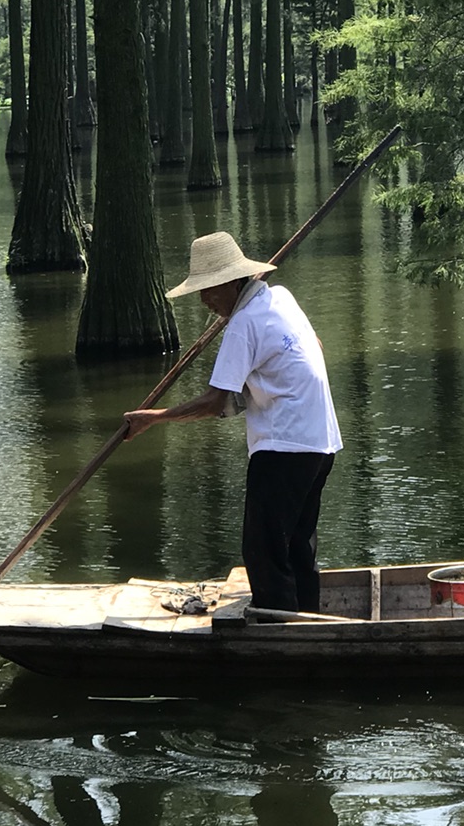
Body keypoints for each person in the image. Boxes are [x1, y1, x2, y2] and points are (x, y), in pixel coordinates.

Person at [122, 231, 342, 614]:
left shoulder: (243, 324)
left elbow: (213, 403)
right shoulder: (282, 299)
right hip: (320, 442)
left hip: (284, 446)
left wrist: (153, 419)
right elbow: (313, 348)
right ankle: (307, 621)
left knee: (265, 551)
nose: (205, 300)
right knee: (296, 545)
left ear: (233, 282)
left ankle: (278, 635)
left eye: (209, 290)